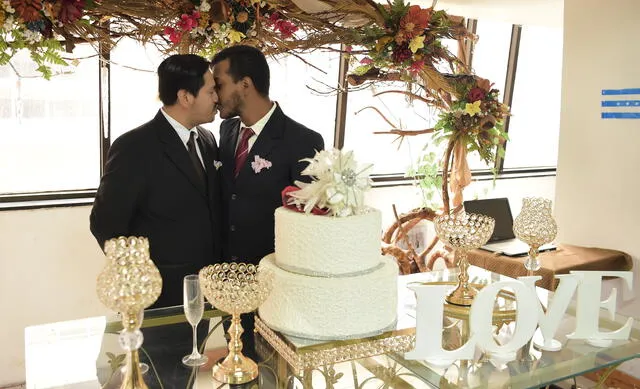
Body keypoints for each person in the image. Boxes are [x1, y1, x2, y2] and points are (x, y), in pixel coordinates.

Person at [90, 54, 221, 387]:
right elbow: (106, 223)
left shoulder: (205, 140)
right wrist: (138, 280)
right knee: (162, 378)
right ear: (185, 96)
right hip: (157, 297)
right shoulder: (136, 146)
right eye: (210, 91)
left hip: (200, 291)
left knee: (188, 371)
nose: (217, 98)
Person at [210, 45, 324, 360]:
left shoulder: (303, 140)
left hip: (274, 287)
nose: (214, 94)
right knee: (238, 366)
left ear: (245, 84)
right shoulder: (227, 130)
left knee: (274, 372)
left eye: (219, 84)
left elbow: (307, 223)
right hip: (229, 282)